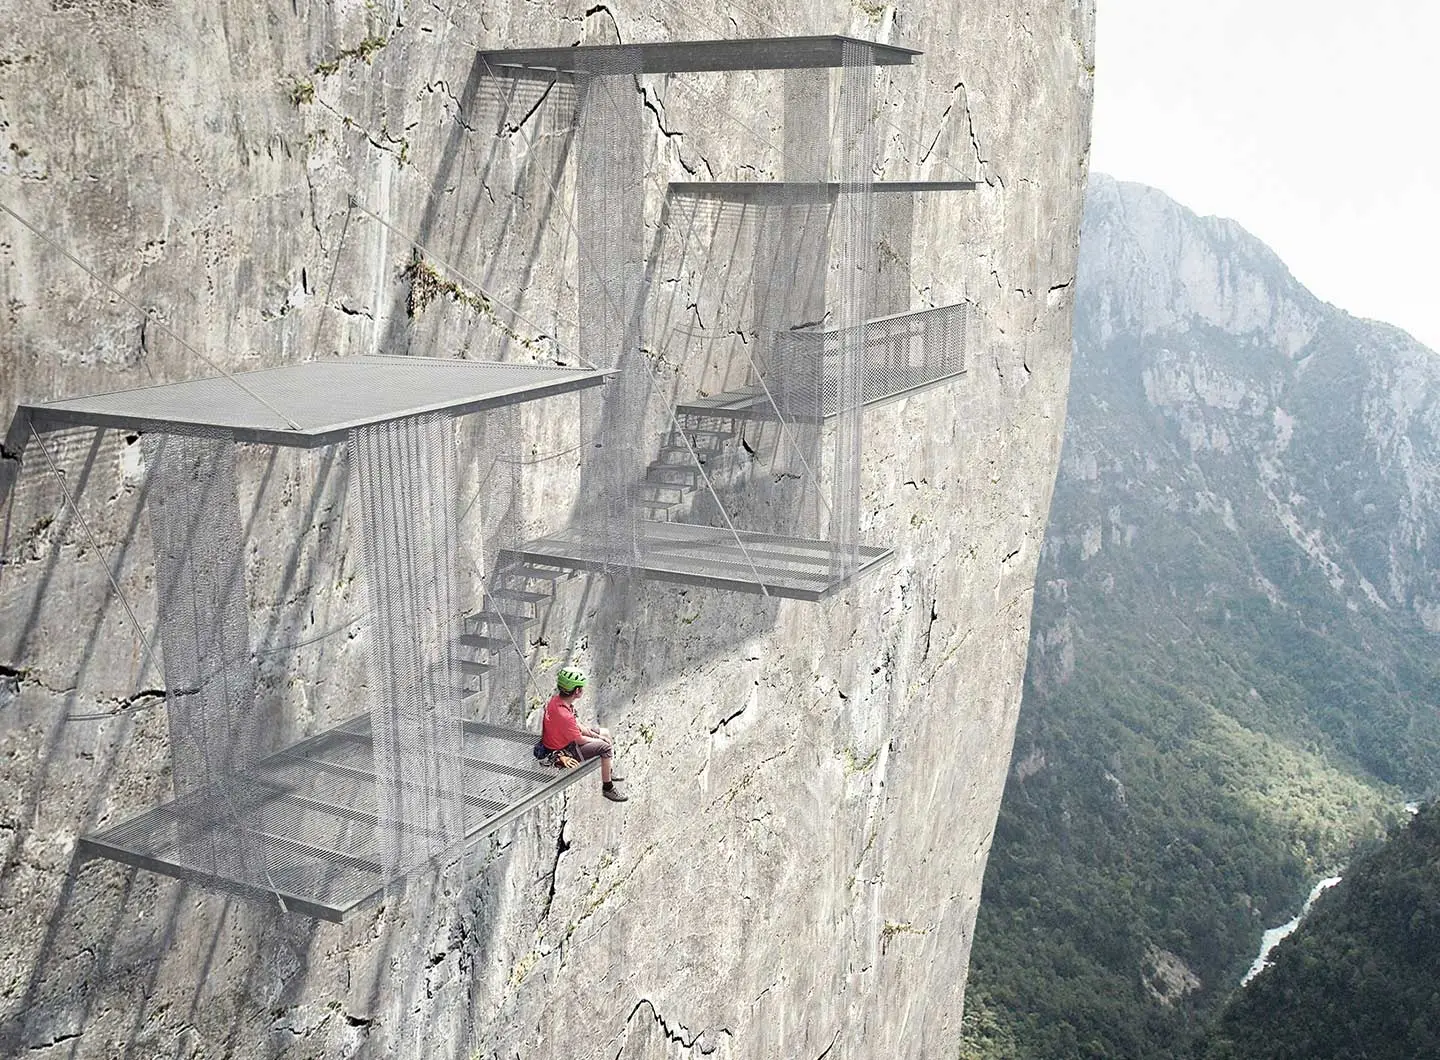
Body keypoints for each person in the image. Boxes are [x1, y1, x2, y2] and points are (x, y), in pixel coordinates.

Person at [540, 667, 627, 803]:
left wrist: (597, 736)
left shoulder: (557, 701)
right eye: (581, 688)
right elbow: (580, 740)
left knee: (605, 733)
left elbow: (577, 725)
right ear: (577, 691)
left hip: (563, 739)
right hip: (564, 750)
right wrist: (599, 741)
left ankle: (608, 770)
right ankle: (608, 787)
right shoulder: (564, 715)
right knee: (606, 747)